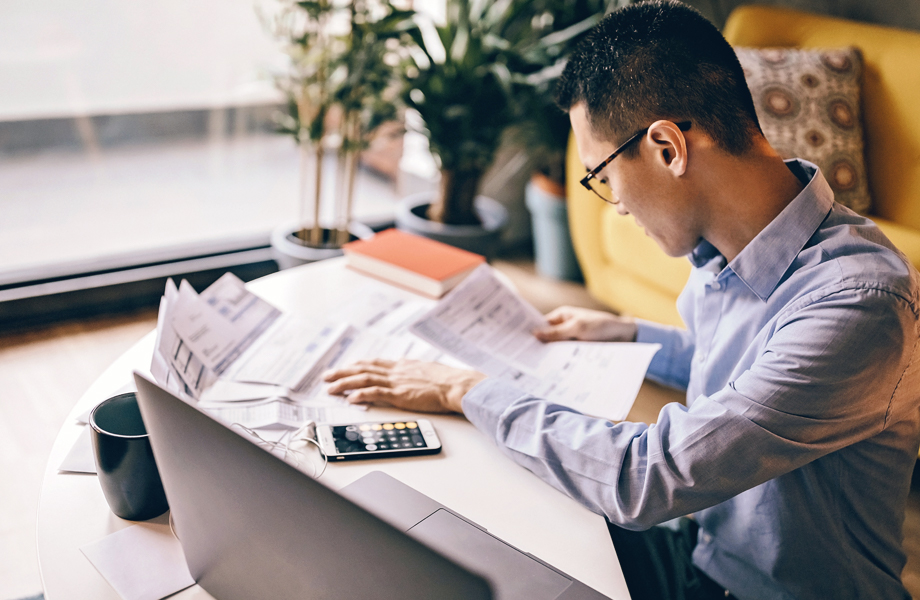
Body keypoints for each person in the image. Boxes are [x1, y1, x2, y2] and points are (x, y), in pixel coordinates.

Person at [324, 2, 920, 598]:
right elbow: (743, 367)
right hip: (702, 550)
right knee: (492, 535)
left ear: (668, 147)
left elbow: (649, 476)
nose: (617, 203)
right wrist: (628, 333)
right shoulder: (735, 246)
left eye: (602, 176)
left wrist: (464, 390)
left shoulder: (859, 306)